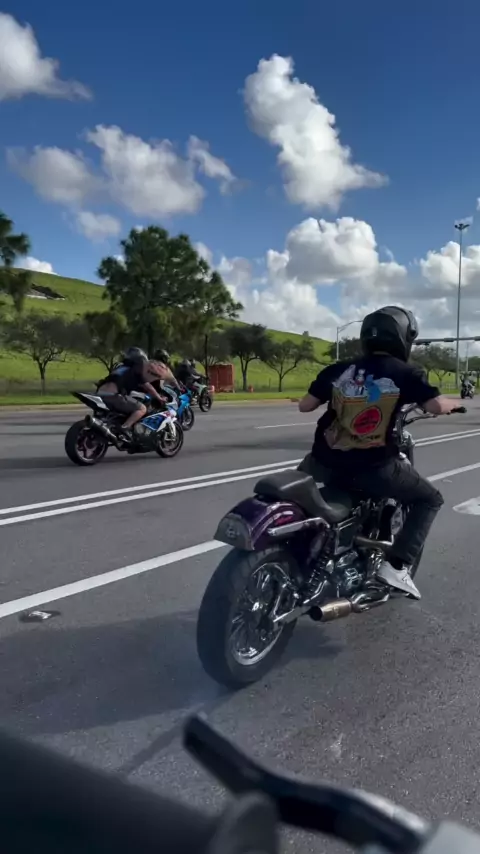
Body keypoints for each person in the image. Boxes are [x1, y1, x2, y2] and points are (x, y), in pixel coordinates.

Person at [298, 306, 460, 599]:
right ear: (403, 337)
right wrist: (453, 404)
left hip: (323, 462)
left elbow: (305, 405)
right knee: (430, 499)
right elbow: (435, 406)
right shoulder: (405, 373)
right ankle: (397, 567)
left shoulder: (338, 370)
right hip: (372, 467)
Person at [97, 347, 170, 439]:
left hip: (100, 393)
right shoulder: (135, 370)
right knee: (142, 408)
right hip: (113, 396)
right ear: (139, 361)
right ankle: (125, 428)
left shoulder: (120, 368)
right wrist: (159, 398)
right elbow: (148, 386)